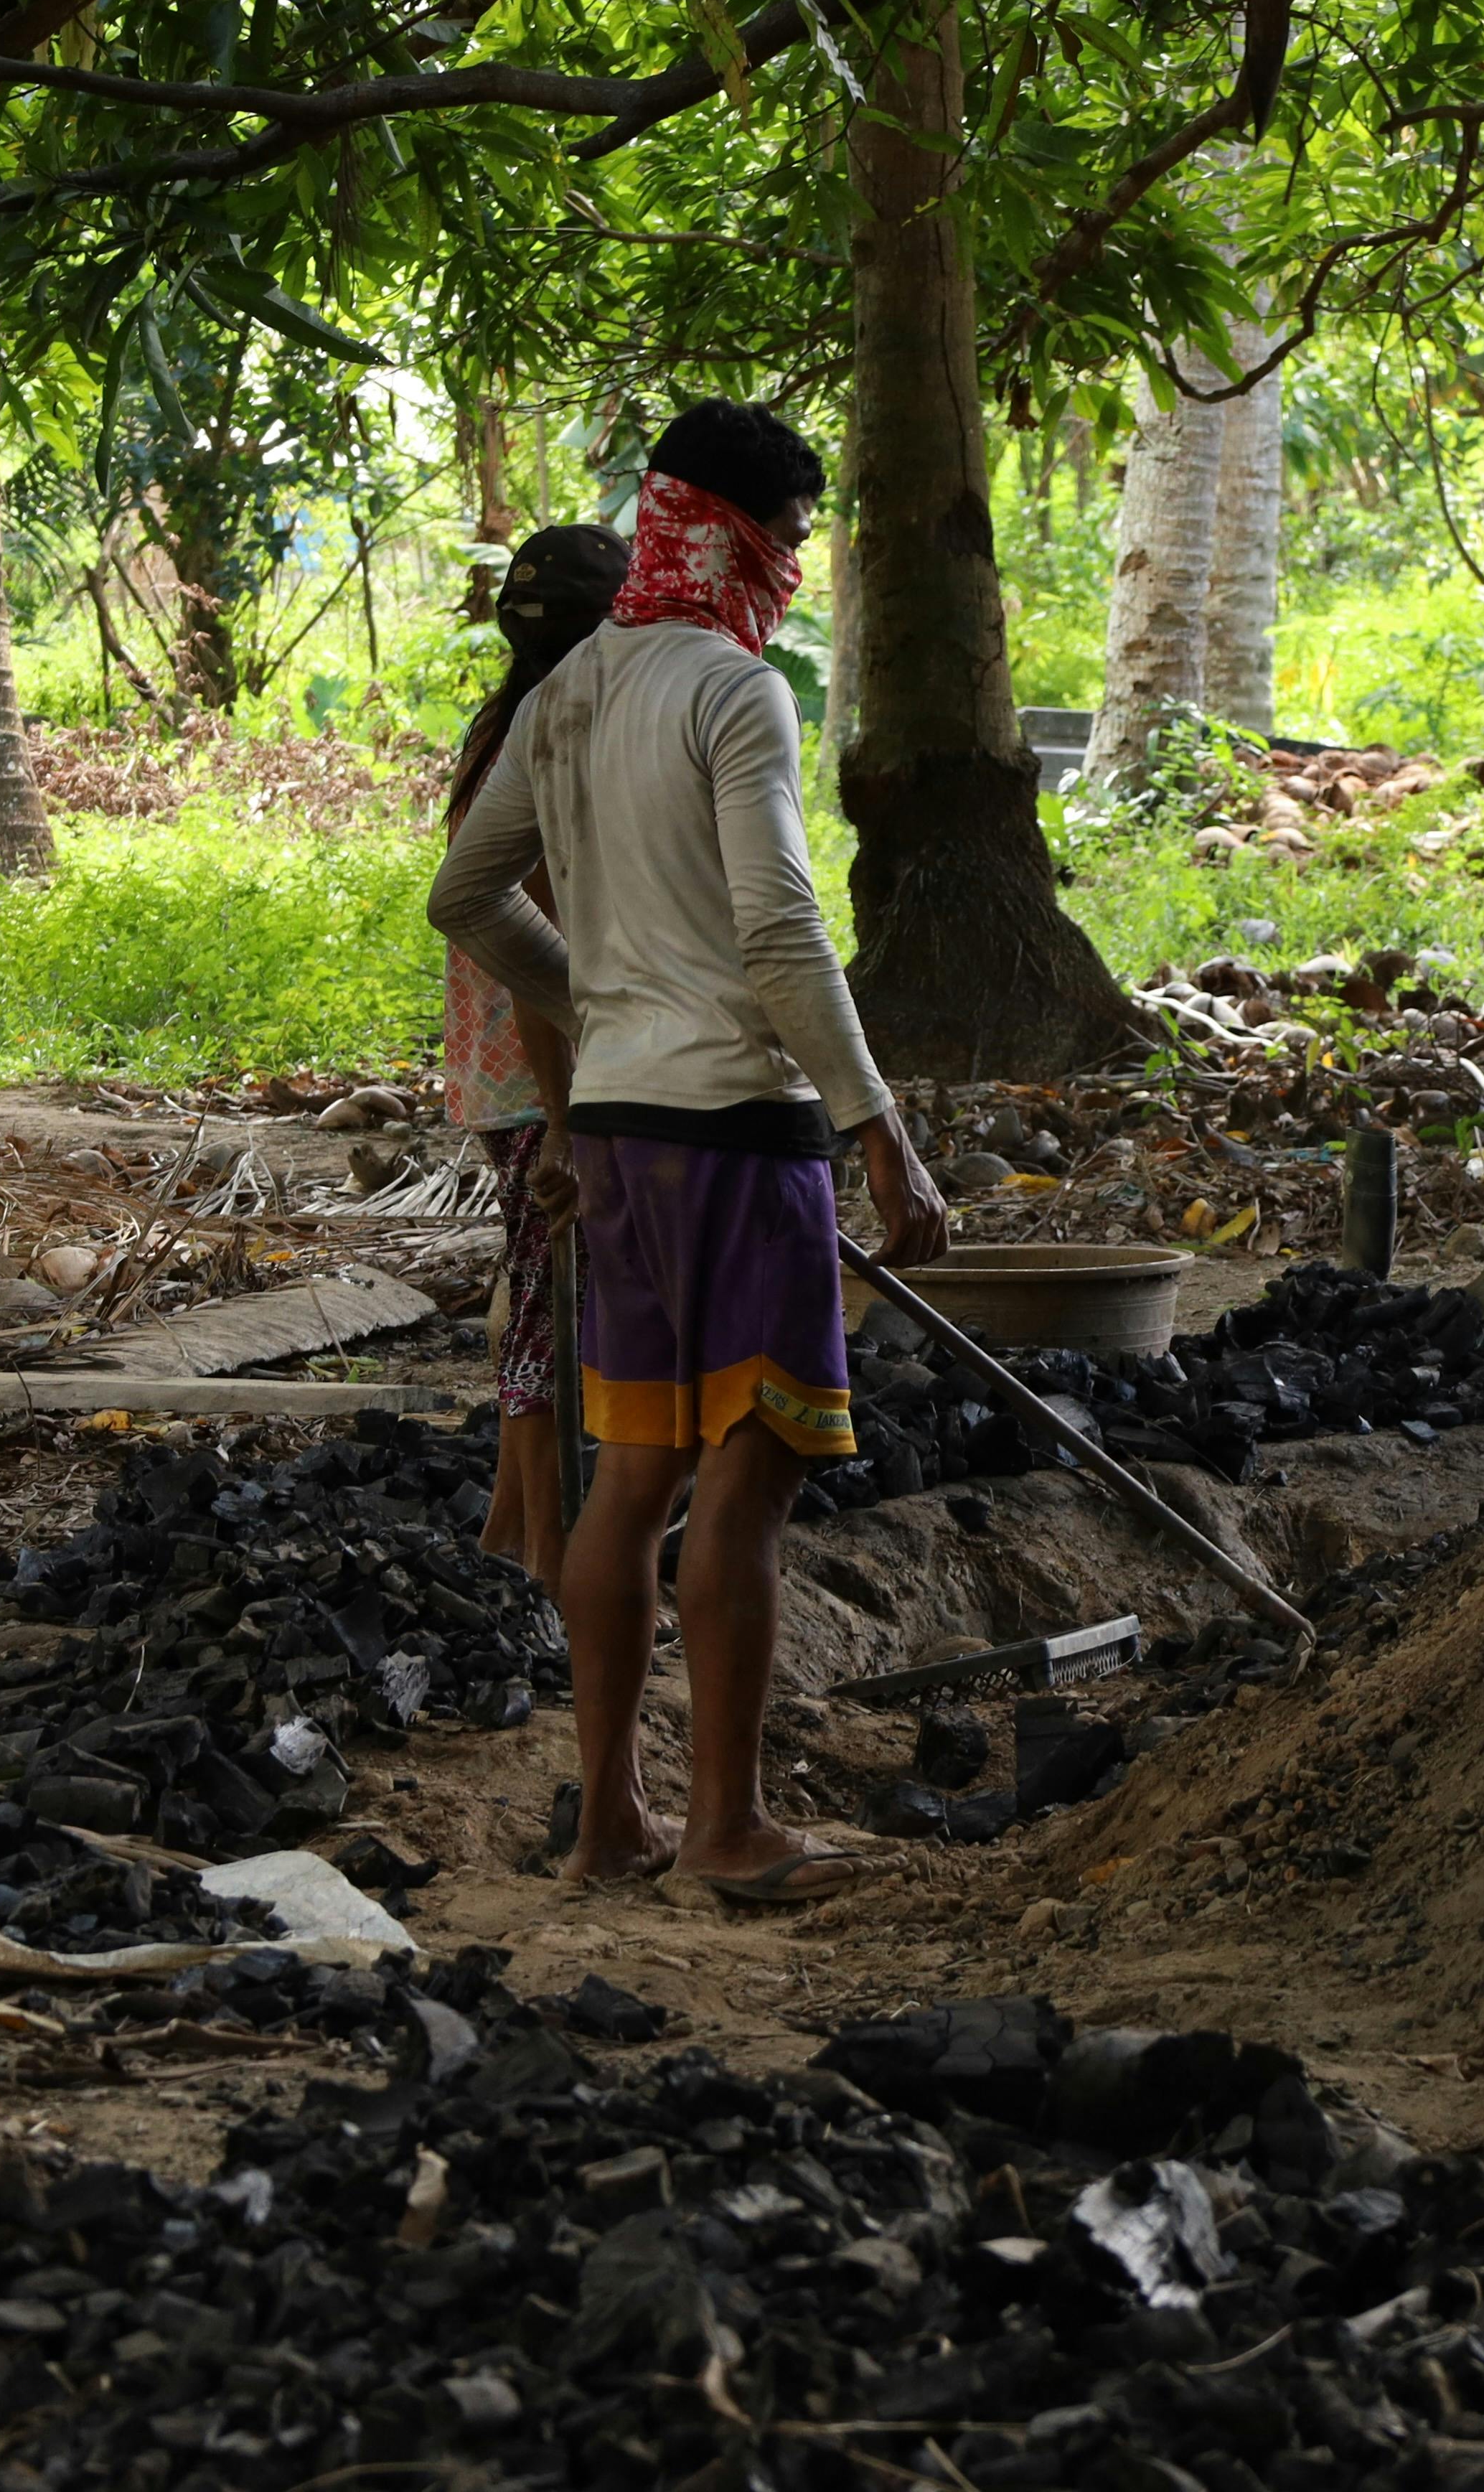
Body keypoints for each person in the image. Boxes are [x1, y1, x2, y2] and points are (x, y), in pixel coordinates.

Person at [429, 400, 949, 1902]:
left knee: (636, 1472)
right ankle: (727, 1827)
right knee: (754, 1472)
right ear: (732, 533)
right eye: (788, 537)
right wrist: (877, 1125)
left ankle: (611, 1823)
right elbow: (780, 928)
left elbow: (467, 894)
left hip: (618, 1133)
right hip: (738, 1127)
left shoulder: (573, 689)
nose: (794, 566)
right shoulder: (736, 689)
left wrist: (593, 1003)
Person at [442, 523, 631, 1588]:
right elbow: (539, 943)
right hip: (543, 1073)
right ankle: (549, 1555)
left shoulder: (506, 721)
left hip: (506, 1073)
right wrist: (565, 1118)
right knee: (552, 1306)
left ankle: (513, 1535)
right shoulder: (557, 736)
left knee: (538, 1287)